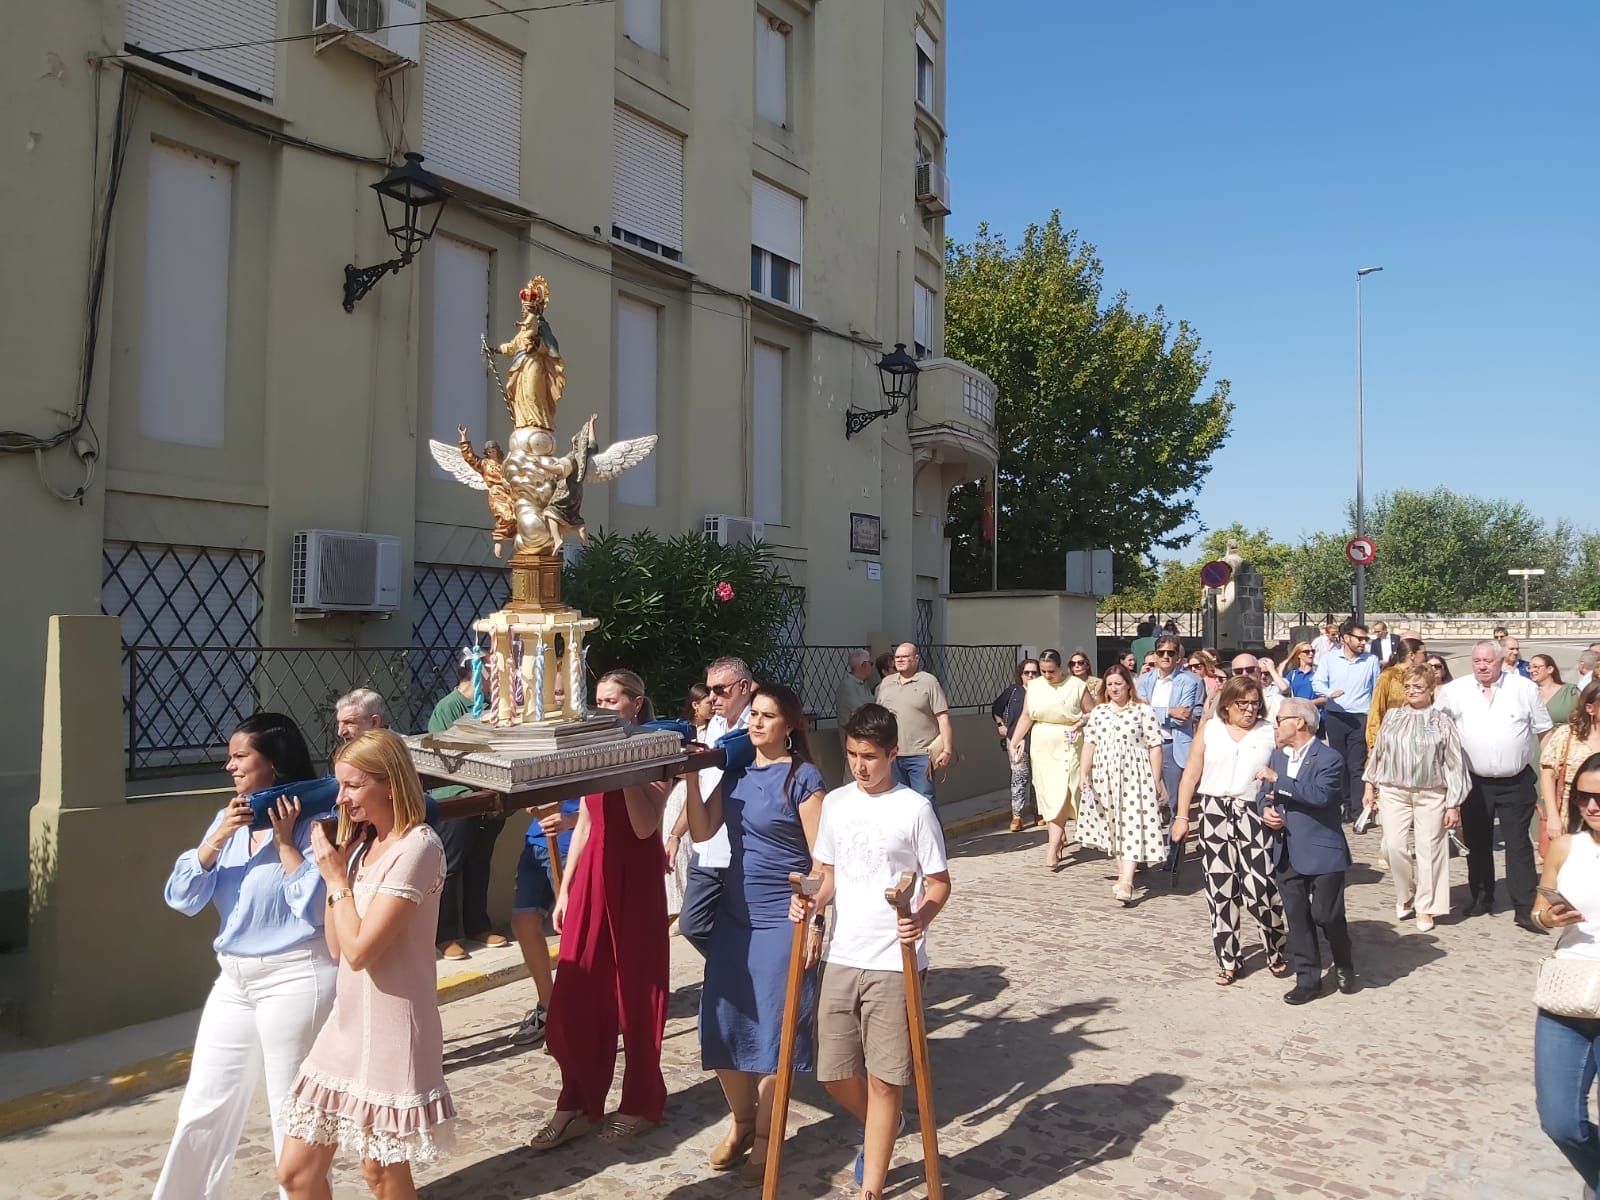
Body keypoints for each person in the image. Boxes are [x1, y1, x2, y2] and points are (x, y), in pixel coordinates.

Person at [156, 714, 336, 1200]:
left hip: (296, 975)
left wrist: (283, 842)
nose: (228, 765)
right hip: (233, 980)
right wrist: (214, 842)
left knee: (291, 1114)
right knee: (202, 1105)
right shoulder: (228, 819)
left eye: (240, 756)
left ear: (272, 765)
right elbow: (182, 898)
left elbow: (317, 907)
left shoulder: (315, 823)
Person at [277, 730, 453, 1198]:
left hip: (394, 1032)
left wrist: (336, 879)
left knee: (381, 1176)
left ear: (390, 783)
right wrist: (336, 872)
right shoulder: (360, 848)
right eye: (340, 785)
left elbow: (360, 951)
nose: (341, 798)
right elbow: (338, 946)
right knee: (295, 1173)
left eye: (353, 785)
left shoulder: (418, 847)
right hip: (347, 1026)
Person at [792, 703, 951, 1200]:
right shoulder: (837, 803)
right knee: (834, 1071)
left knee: (886, 1077)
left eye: (870, 757)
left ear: (892, 753)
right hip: (843, 953)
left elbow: (940, 883)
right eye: (853, 755)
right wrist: (810, 903)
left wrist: (918, 919)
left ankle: (873, 1189)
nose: (860, 766)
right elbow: (828, 875)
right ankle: (887, 1123)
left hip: (892, 960)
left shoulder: (914, 809)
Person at [683, 683, 826, 1182]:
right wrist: (690, 778)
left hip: (782, 920)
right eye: (754, 715)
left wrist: (814, 916)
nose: (756, 723)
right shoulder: (738, 771)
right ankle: (743, 1123)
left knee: (774, 1032)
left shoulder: (804, 779)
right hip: (735, 917)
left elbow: (823, 862)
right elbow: (702, 833)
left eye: (768, 716)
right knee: (722, 1022)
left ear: (791, 726)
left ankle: (769, 1137)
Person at [530, 669, 671, 1149]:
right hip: (592, 872)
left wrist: (624, 765)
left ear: (636, 704)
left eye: (613, 701)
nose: (603, 707)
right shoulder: (588, 749)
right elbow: (588, 820)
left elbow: (643, 825)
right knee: (576, 989)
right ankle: (577, 1101)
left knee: (636, 991)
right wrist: (566, 887)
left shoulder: (654, 750)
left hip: (636, 876)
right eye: (599, 700)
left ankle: (642, 1100)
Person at [1171, 674, 1288, 987]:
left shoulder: (1269, 732)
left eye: (1254, 703)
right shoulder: (1210, 730)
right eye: (1242, 704)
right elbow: (1190, 775)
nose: (1249, 710)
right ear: (1227, 705)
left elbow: (1287, 771)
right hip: (1214, 811)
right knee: (1220, 889)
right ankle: (1228, 959)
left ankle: (1276, 946)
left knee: (1259, 888)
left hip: (1254, 812)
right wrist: (1182, 817)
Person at [1437, 640, 1553, 928]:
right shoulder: (1455, 691)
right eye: (1477, 661)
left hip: (1516, 780)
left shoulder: (1523, 688)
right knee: (1476, 842)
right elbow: (1435, 726)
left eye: (1488, 661)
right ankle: (1481, 896)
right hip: (1474, 781)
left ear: (1501, 661)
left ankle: (1525, 906)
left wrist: (1547, 770)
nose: (1482, 666)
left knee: (1518, 845)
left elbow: (1544, 731)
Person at [1532, 752, 1600, 1193]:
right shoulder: (1565, 848)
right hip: (1569, 995)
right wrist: (1547, 920)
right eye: (1584, 798)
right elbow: (1539, 908)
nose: (1592, 807)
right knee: (1560, 1122)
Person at [1258, 699, 1357, 1002]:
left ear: (1299, 723)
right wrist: (1266, 811)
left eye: (1280, 719)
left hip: (1322, 850)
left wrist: (1280, 781)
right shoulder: (1277, 756)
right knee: (1297, 916)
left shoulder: (1329, 758)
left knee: (1326, 915)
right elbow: (1263, 795)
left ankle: (1343, 959)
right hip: (1286, 848)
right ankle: (1308, 979)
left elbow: (1322, 796)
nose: (1275, 725)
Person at [1362, 664, 1470, 931]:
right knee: (1393, 846)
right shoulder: (1393, 716)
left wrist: (1453, 803)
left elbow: (1454, 763)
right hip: (1393, 790)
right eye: (1407, 686)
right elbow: (1379, 753)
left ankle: (1426, 906)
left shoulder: (1441, 721)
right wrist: (1369, 785)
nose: (1411, 691)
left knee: (1429, 850)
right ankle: (1406, 892)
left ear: (1430, 690)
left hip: (1430, 792)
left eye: (1418, 687)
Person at [676, 656, 755, 957]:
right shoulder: (714, 725)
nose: (712, 698)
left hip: (738, 846)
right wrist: (675, 834)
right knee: (692, 923)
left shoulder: (757, 725)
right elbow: (705, 785)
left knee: (742, 924)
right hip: (707, 847)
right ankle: (731, 969)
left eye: (720, 690)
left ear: (743, 687)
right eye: (710, 690)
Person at [428, 677, 508, 962]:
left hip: (488, 795)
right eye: (491, 668)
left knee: (479, 862)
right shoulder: (448, 707)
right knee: (449, 866)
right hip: (457, 797)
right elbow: (443, 752)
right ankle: (446, 935)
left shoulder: (493, 705)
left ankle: (479, 926)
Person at [1077, 664, 1166, 903]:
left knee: (1132, 824)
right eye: (1110, 685)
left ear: (1128, 684)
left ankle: (1127, 880)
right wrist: (1083, 773)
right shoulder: (1099, 712)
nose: (1114, 688)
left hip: (1135, 775)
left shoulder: (1142, 711)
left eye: (1118, 683)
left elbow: (1155, 746)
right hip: (1104, 774)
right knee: (1113, 825)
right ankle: (1122, 875)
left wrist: (1156, 779)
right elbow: (1090, 743)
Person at [1009, 649, 1094, 869]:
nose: (1047, 676)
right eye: (1043, 671)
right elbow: (1027, 716)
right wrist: (1015, 740)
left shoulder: (1076, 685)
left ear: (1060, 668)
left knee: (1062, 794)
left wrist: (1080, 724)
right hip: (1041, 745)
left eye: (1051, 671)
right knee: (1047, 795)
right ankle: (1057, 836)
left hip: (1068, 744)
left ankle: (1053, 846)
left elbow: (1093, 712)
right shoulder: (1035, 686)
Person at [508, 790, 580, 1046]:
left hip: (569, 846)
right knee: (523, 921)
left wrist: (571, 820)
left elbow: (605, 806)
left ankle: (578, 1015)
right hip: (536, 841)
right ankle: (548, 1008)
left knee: (572, 928)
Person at [1312, 618, 1381, 824]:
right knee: (1339, 763)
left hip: (1360, 717)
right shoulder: (1330, 659)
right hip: (1336, 716)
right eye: (1358, 638)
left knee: (1356, 764)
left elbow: (1376, 688)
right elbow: (1318, 682)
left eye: (1365, 639)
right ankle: (1344, 805)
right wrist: (1329, 693)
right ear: (1345, 639)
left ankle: (1359, 809)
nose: (1362, 643)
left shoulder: (1370, 661)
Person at [1137, 634, 1206, 826]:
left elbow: (1184, 718)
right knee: (1147, 800)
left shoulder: (1190, 681)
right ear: (1155, 655)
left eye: (1171, 652)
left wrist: (1152, 711)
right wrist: (1169, 712)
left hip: (1173, 746)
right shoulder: (1143, 680)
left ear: (1178, 657)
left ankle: (1174, 852)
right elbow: (1138, 715)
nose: (1165, 656)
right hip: (1146, 746)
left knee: (1176, 804)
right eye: (1161, 652)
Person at [661, 684, 715, 922]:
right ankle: (675, 906)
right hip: (681, 792)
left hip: (700, 790)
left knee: (692, 847)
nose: (712, 706)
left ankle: (688, 906)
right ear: (695, 704)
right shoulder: (684, 731)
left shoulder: (715, 730)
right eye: (707, 702)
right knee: (676, 846)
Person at [875, 643, 954, 802]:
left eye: (905, 657)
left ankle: (932, 828)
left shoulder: (929, 682)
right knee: (899, 801)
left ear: (916, 659)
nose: (900, 660)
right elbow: (878, 718)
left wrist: (947, 750)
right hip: (893, 754)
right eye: (897, 657)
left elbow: (942, 717)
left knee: (924, 800)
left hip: (922, 755)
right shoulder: (885, 684)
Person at [1541, 684, 1600, 865]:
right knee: (1570, 868)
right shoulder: (1567, 735)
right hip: (1572, 813)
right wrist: (1552, 816)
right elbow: (1548, 774)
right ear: (1590, 708)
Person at [993, 658, 1041, 832]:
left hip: (1038, 740)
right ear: (1020, 675)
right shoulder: (1014, 691)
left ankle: (1038, 812)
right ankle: (1017, 816)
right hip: (1016, 739)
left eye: (1034, 672)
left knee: (1038, 778)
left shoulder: (1044, 691)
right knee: (1019, 777)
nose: (1030, 676)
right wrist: (1001, 725)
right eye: (1026, 672)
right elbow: (996, 708)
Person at [1365, 637, 1428, 753]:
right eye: (1424, 653)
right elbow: (1376, 710)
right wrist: (1373, 745)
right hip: (1392, 739)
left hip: (1418, 739)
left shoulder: (1422, 676)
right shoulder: (1388, 676)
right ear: (1412, 655)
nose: (1426, 657)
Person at [836, 649, 879, 744]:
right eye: (871, 663)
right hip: (855, 738)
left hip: (867, 736)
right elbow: (862, 711)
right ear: (863, 665)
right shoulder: (848, 686)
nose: (873, 667)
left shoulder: (863, 684)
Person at [1533, 655, 1582, 729]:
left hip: (1564, 738)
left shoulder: (1571, 692)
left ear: (1550, 669)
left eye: (1535, 667)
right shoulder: (1528, 692)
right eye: (1529, 667)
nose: (1531, 670)